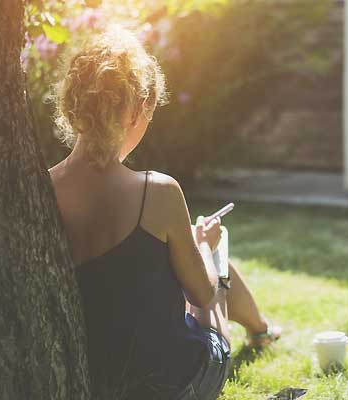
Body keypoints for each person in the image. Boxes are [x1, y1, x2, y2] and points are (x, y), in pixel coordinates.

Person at [48, 27, 281, 400]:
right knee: (214, 285)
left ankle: (261, 328)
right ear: (138, 112)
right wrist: (205, 248)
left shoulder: (42, 190)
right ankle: (260, 329)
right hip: (174, 382)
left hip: (97, 381)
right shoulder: (156, 190)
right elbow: (202, 297)